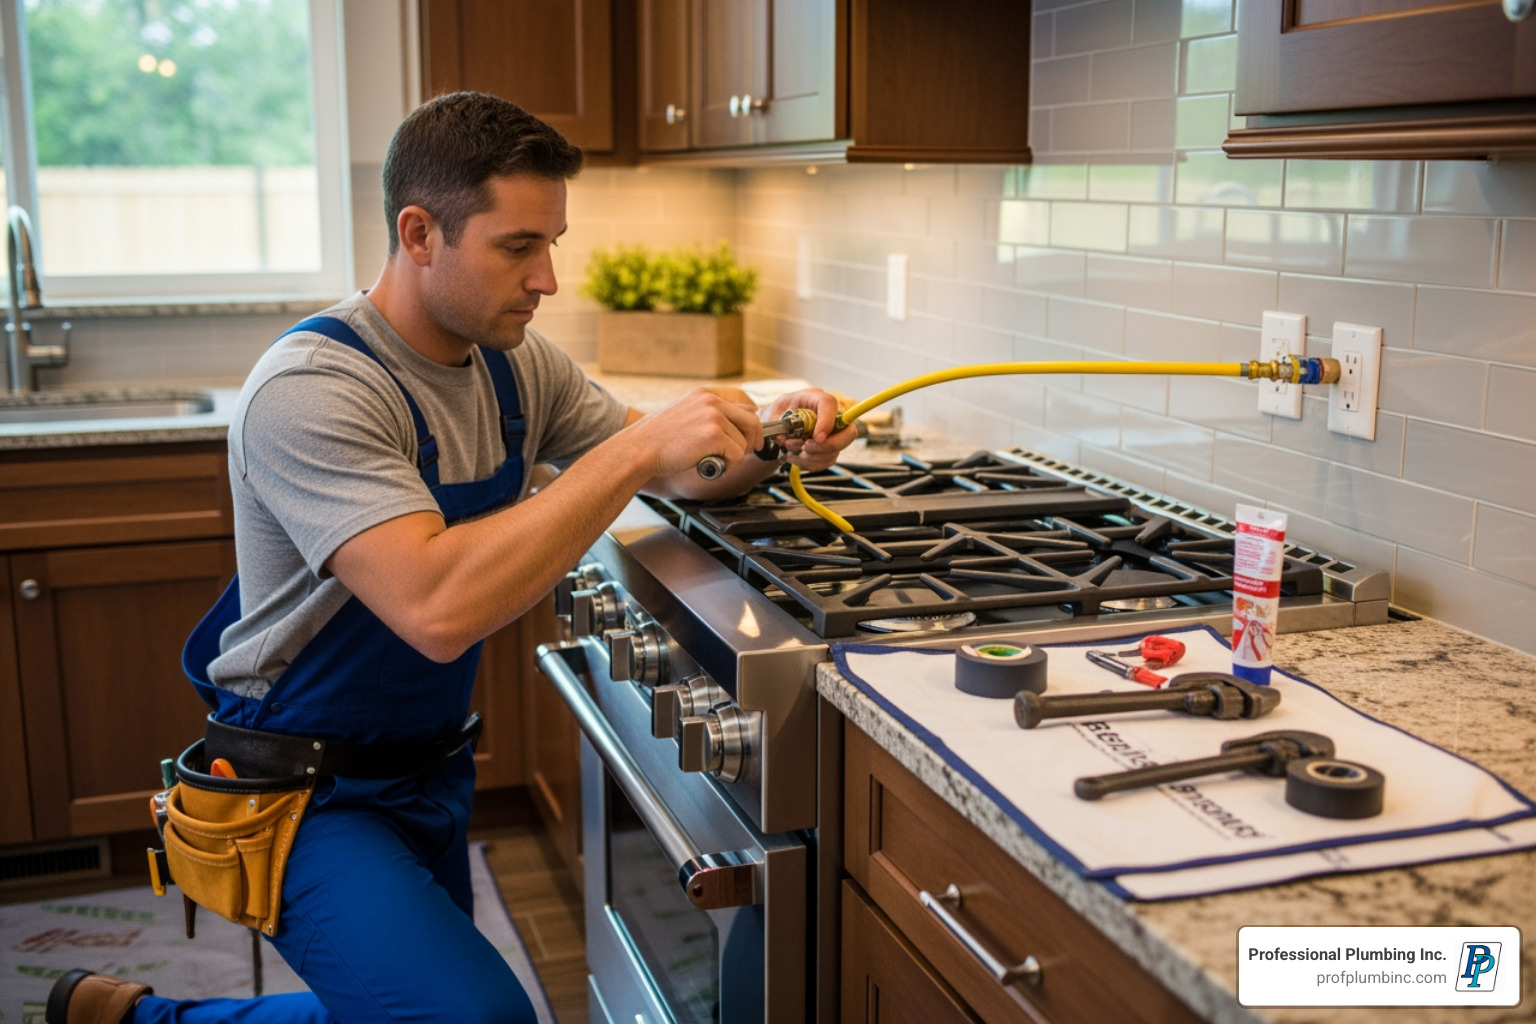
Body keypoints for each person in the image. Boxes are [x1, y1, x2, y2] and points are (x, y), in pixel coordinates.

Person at [47, 90, 857, 1024]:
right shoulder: (317, 385)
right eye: (519, 246)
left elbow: (683, 470)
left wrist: (774, 440)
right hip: (304, 792)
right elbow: (434, 608)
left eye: (553, 242)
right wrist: (633, 451)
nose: (547, 278)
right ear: (420, 232)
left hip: (429, 771)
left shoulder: (515, 366)